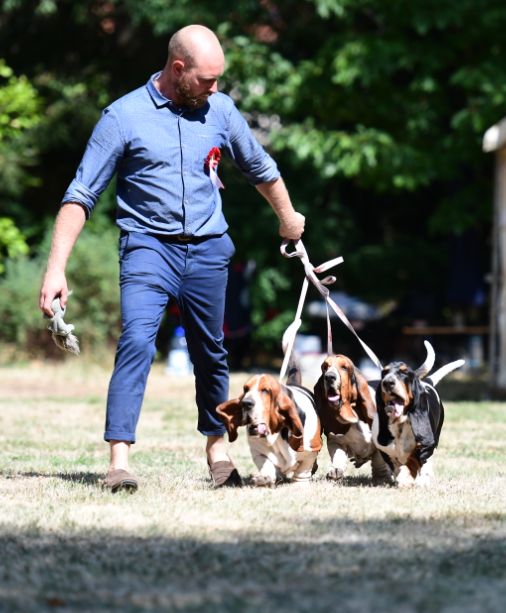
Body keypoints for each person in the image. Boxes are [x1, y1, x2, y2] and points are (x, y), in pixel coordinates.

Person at [38, 24, 305, 492]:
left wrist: (288, 219)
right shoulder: (124, 116)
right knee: (138, 343)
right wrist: (56, 268)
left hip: (207, 249)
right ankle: (119, 462)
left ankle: (217, 452)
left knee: (211, 351)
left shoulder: (220, 110)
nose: (215, 88)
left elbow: (260, 168)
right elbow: (81, 194)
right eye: (206, 80)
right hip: (147, 248)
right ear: (178, 70)